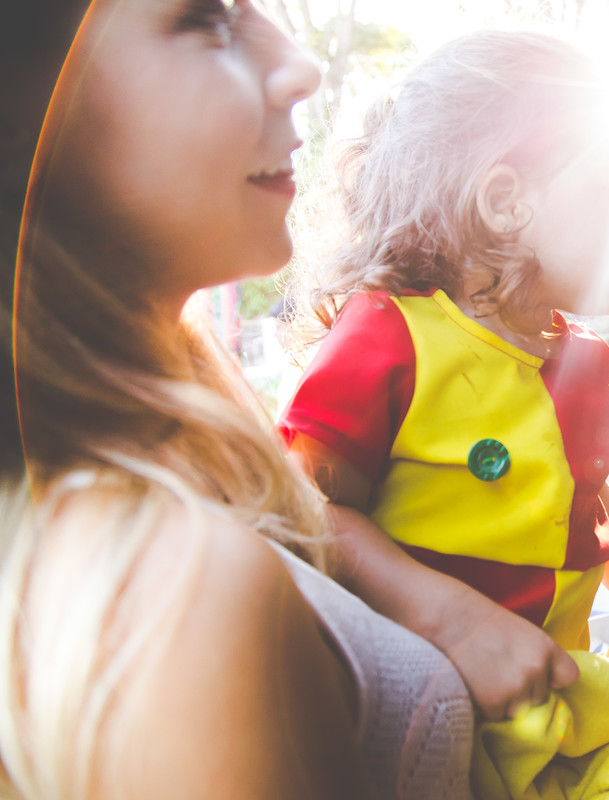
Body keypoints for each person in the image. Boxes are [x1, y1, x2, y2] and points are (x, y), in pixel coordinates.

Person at [0, 1, 473, 797]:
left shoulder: (184, 419)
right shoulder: (172, 597)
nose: (301, 64)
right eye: (205, 17)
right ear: (24, 100)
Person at [277, 29, 609, 716]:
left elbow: (581, 492)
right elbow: (307, 508)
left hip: (556, 703)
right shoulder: (388, 336)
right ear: (504, 202)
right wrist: (454, 620)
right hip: (426, 711)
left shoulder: (589, 363)